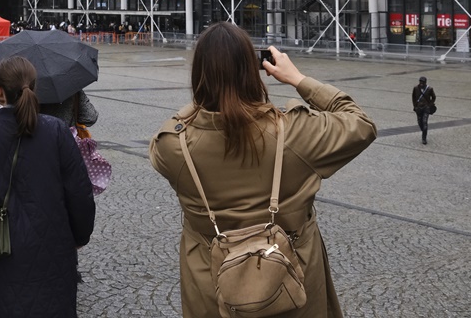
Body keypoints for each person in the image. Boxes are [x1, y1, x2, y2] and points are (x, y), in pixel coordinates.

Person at [149, 22, 376, 318]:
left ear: (198, 74)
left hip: (212, 290)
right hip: (292, 283)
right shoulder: (294, 134)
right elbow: (361, 123)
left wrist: (208, 96)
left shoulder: (174, 147)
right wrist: (297, 78)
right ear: (251, 70)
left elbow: (175, 127)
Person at [0, 56, 95, 318]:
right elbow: (80, 192)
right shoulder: (57, 130)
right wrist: (80, 236)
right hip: (54, 246)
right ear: (33, 87)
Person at [412, 75, 436, 145]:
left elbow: (434, 97)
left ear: (425, 82)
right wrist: (415, 106)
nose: (421, 83)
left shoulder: (430, 89)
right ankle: (424, 131)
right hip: (418, 108)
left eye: (423, 82)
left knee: (424, 122)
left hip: (426, 108)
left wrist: (430, 104)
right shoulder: (416, 88)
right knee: (420, 122)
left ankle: (424, 138)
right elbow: (413, 97)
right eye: (420, 82)